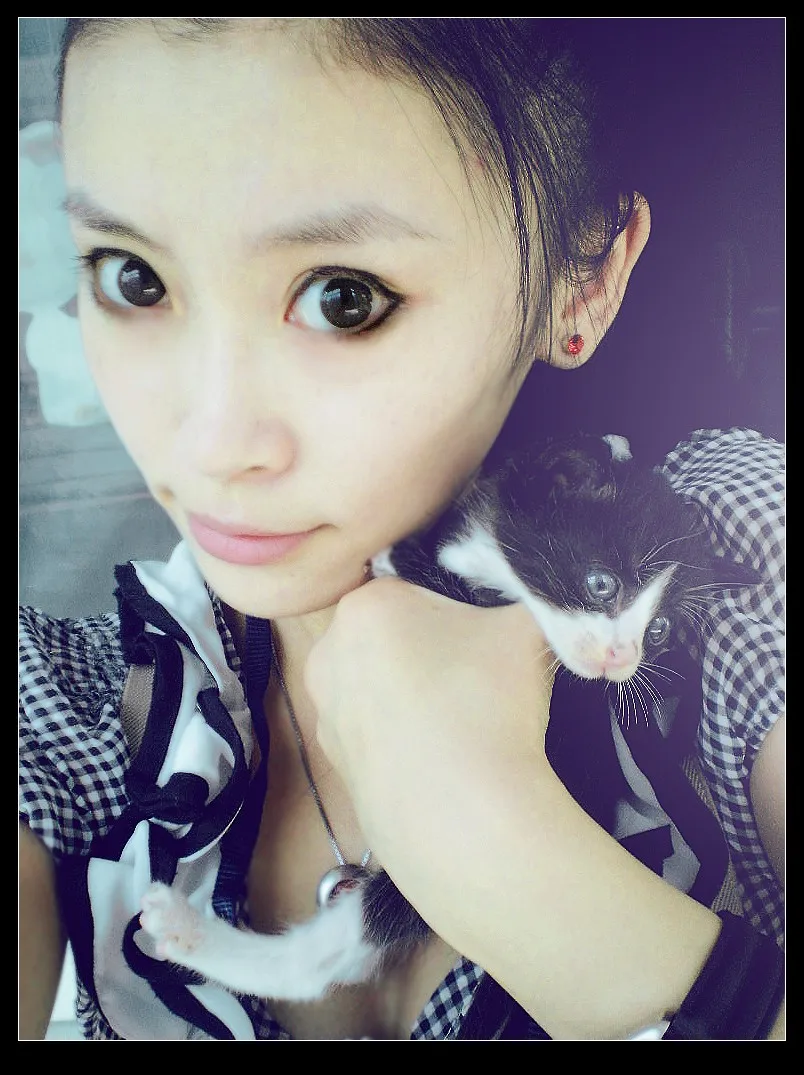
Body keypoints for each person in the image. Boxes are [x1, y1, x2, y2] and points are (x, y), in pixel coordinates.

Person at [19, 17, 784, 1040]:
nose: (210, 446)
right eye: (132, 277)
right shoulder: (56, 703)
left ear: (585, 277)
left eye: (343, 298)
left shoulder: (727, 547)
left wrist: (502, 839)